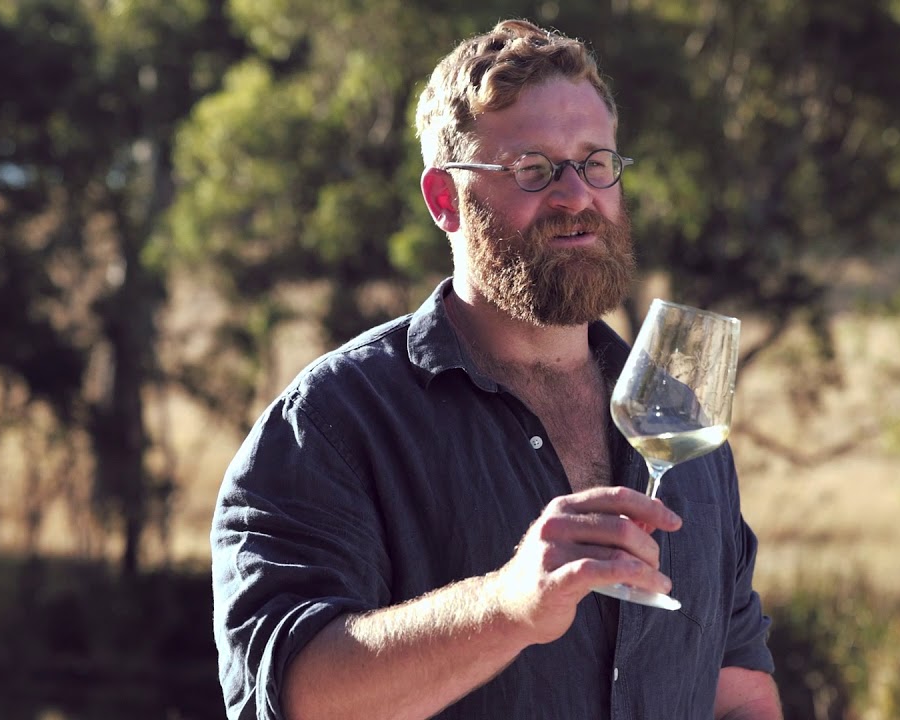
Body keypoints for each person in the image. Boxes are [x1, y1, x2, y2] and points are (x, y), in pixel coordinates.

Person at [211, 18, 781, 720]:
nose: (577, 196)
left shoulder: (678, 421)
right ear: (443, 199)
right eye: (532, 170)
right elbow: (292, 696)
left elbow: (737, 692)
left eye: (596, 163)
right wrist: (508, 605)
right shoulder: (332, 425)